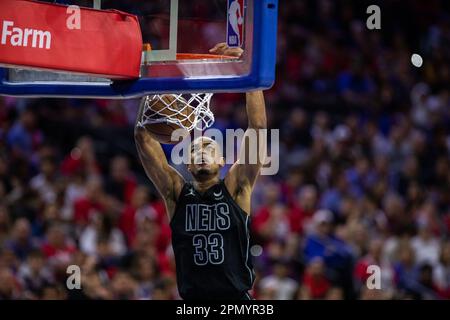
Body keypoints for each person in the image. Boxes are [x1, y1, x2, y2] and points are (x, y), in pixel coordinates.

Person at [135, 44, 266, 300]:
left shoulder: (236, 187)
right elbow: (143, 137)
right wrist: (150, 87)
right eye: (194, 150)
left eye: (208, 146)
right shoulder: (175, 193)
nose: (201, 151)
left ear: (222, 161)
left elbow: (258, 127)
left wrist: (248, 72)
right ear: (188, 165)